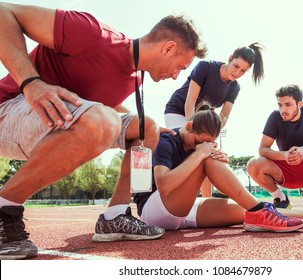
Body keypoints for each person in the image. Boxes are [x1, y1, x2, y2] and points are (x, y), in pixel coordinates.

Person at [0, 2, 207, 260]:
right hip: (10, 109)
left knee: (148, 126)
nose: (176, 76)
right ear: (168, 48)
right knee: (106, 120)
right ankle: (4, 208)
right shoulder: (90, 32)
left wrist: (145, 130)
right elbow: (3, 13)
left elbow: (105, 108)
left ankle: (115, 216)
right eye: (180, 67)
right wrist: (31, 84)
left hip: (56, 121)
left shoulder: (135, 78)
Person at [134, 102, 303, 232]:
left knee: (248, 210)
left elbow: (194, 178)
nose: (202, 145)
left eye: (208, 142)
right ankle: (260, 211)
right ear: (189, 126)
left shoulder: (198, 148)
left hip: (185, 210)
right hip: (154, 211)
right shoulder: (167, 141)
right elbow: (164, 185)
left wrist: (212, 160)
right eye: (200, 141)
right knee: (207, 159)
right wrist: (202, 156)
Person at [164, 43, 264, 197]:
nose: (237, 73)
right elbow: (190, 100)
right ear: (230, 58)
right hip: (178, 111)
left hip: (202, 123)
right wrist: (194, 129)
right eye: (236, 66)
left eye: (243, 71)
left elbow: (223, 117)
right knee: (187, 149)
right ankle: (170, 193)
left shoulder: (234, 88)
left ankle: (206, 200)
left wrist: (211, 138)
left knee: (208, 154)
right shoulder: (206, 67)